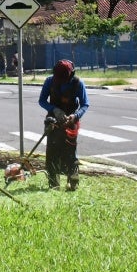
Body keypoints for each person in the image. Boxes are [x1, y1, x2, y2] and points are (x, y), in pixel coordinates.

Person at [38, 59, 89, 191]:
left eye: (63, 79)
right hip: (53, 121)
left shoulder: (78, 84)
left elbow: (85, 104)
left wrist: (75, 116)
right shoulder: (49, 81)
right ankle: (54, 183)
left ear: (71, 75)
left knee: (70, 153)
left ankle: (72, 182)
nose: (60, 82)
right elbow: (42, 100)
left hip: (70, 122)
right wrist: (54, 109)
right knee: (52, 152)